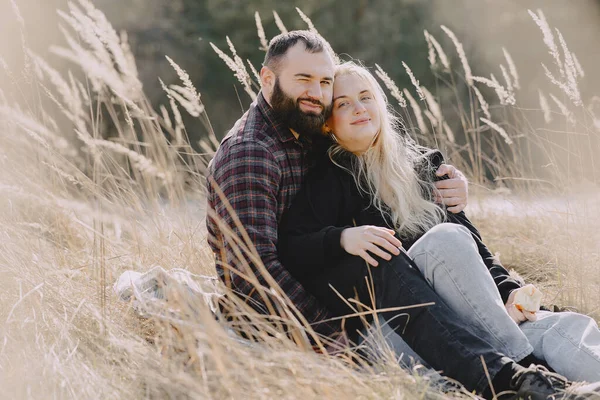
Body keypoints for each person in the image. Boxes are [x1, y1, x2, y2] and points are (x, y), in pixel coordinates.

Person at [206, 31, 598, 399]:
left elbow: (470, 243)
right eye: (307, 80)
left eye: (326, 83)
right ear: (268, 78)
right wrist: (336, 333)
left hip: (440, 308)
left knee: (565, 326)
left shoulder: (331, 138)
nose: (318, 93)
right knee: (391, 254)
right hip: (358, 322)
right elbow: (255, 269)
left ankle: (540, 372)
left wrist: (509, 288)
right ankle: (521, 373)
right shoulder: (263, 157)